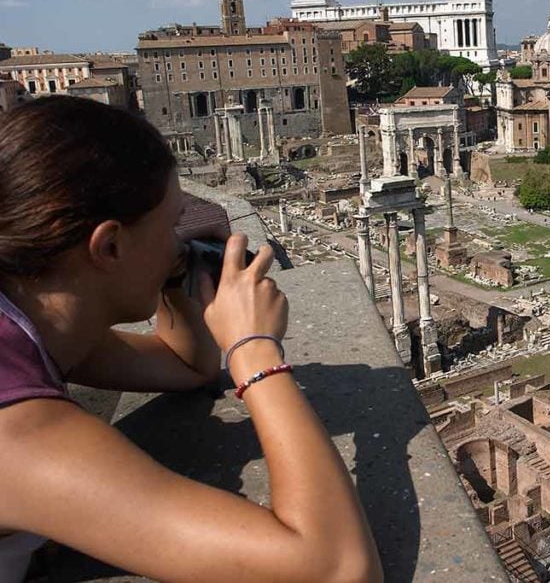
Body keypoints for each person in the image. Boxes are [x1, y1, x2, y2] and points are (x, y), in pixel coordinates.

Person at [0, 98, 382, 583]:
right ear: (110, 246)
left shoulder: (31, 318)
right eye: (171, 225)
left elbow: (186, 366)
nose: (182, 242)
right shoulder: (18, 433)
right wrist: (254, 350)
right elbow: (336, 568)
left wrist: (176, 273)